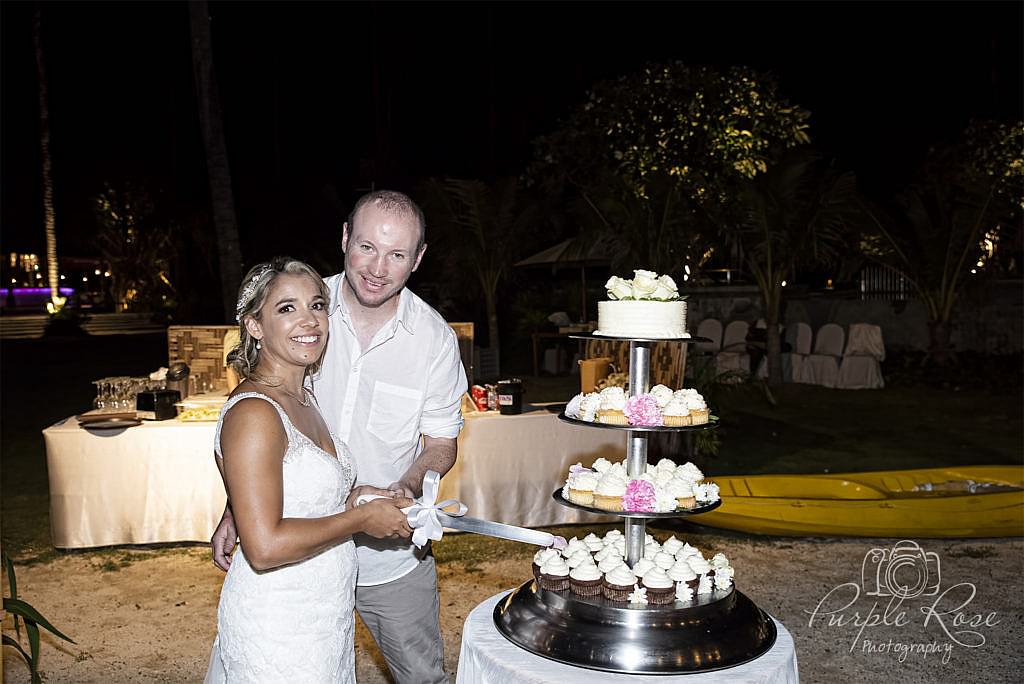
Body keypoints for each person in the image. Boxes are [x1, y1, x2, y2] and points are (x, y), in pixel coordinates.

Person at [212, 191, 468, 683]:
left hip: (390, 560)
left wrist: (406, 487)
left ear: (418, 259)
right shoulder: (301, 314)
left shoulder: (434, 339)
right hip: (289, 570)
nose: (377, 267)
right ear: (345, 237)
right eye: (367, 246)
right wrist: (238, 505)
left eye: (397, 254)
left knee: (421, 676)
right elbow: (257, 426)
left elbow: (440, 442)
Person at [204, 257, 414, 683]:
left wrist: (359, 498)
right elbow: (263, 548)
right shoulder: (255, 414)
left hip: (324, 615)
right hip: (279, 623)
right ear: (255, 326)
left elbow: (306, 494)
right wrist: (359, 520)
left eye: (317, 305)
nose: (310, 321)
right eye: (287, 308)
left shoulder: (302, 398)